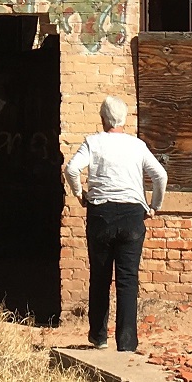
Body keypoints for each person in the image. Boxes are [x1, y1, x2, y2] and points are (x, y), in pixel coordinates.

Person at [63, 97, 168, 354]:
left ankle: (99, 337)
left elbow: (72, 169)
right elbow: (160, 175)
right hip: (133, 214)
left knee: (99, 277)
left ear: (102, 118)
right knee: (128, 279)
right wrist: (154, 206)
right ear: (125, 119)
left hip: (101, 213)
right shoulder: (137, 145)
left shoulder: (93, 142)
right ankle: (127, 343)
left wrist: (79, 194)